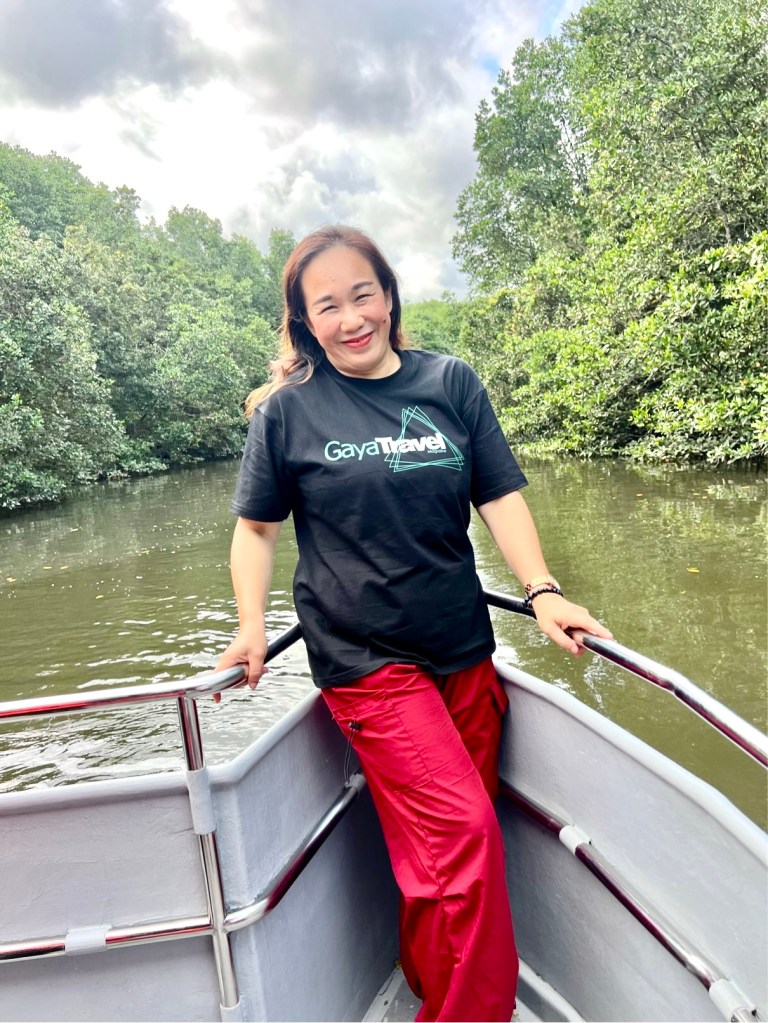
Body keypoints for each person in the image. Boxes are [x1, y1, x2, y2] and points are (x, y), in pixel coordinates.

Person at [216, 224, 613, 1022]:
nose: (351, 317)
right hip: (366, 663)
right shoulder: (288, 414)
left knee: (444, 858)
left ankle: (433, 982)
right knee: (464, 838)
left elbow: (498, 495)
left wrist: (541, 590)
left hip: (462, 647)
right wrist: (250, 624)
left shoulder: (449, 382)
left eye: (362, 294)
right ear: (305, 322)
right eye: (327, 305)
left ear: (389, 295)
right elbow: (256, 530)